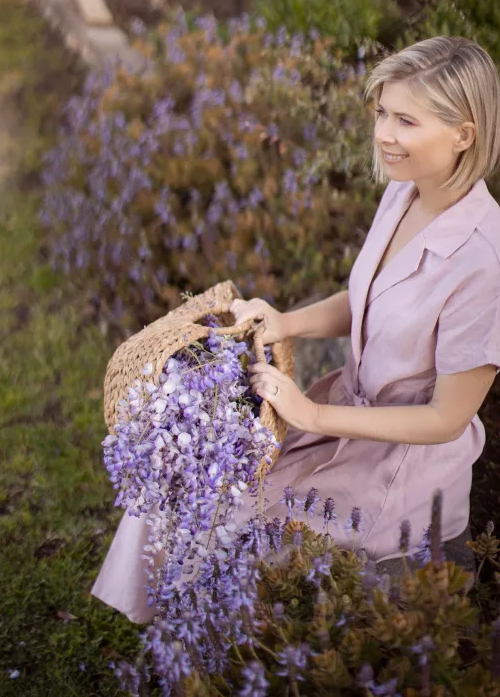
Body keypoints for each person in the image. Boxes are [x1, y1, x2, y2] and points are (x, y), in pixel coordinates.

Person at [91, 36, 500, 624]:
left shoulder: (483, 261)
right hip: (338, 419)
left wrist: (309, 415)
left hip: (398, 475)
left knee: (234, 517)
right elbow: (365, 298)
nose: (383, 133)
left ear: (464, 133)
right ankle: (170, 628)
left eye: (406, 120)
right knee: (193, 471)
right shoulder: (406, 192)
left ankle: (202, 649)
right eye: (382, 111)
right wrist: (287, 322)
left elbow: (446, 419)